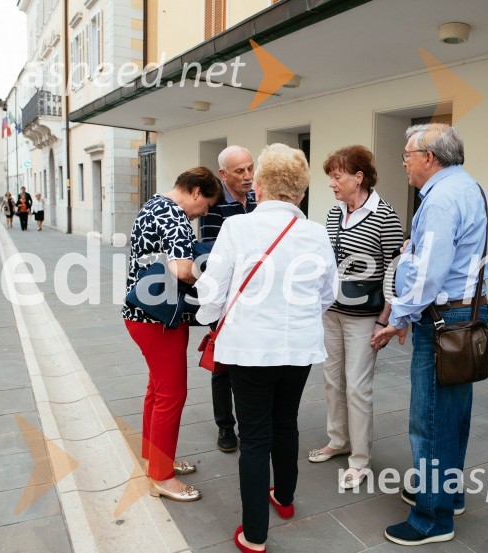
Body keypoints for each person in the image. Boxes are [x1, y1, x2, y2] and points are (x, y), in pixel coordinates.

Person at [195, 144, 337, 553]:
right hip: (299, 349)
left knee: (255, 438)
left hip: (250, 349)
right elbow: (329, 293)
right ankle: (285, 499)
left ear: (258, 186)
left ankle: (255, 534)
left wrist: (210, 312)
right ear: (301, 192)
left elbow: (211, 295)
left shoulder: (238, 229)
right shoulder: (315, 232)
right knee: (286, 422)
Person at [372, 123, 488, 546]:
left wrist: (401, 315)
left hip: (443, 318)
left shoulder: (441, 198)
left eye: (407, 154)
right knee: (453, 415)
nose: (403, 161)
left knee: (430, 419)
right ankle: (448, 493)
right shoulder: (469, 188)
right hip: (466, 311)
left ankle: (431, 517)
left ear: (430, 157)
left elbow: (429, 273)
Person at [123, 167, 222, 503]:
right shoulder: (175, 215)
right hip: (159, 319)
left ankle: (154, 459)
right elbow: (182, 269)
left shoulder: (153, 205)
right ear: (195, 191)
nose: (205, 212)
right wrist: (211, 287)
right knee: (171, 395)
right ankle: (162, 477)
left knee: (157, 390)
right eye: (206, 203)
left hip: (142, 314)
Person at [309, 145, 402, 490]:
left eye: (337, 176)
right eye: (330, 177)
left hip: (365, 317)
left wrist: (385, 319)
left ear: (358, 177)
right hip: (332, 312)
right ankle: (338, 440)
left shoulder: (385, 216)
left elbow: (395, 271)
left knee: (358, 387)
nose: (332, 183)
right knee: (333, 381)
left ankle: (360, 460)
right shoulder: (335, 213)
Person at [198, 145, 257, 453]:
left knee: (247, 364)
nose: (248, 176)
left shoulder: (259, 200)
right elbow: (210, 257)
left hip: (254, 298)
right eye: (239, 171)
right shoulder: (215, 205)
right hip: (225, 299)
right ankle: (225, 426)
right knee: (221, 367)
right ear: (223, 174)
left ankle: (249, 423)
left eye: (250, 168)